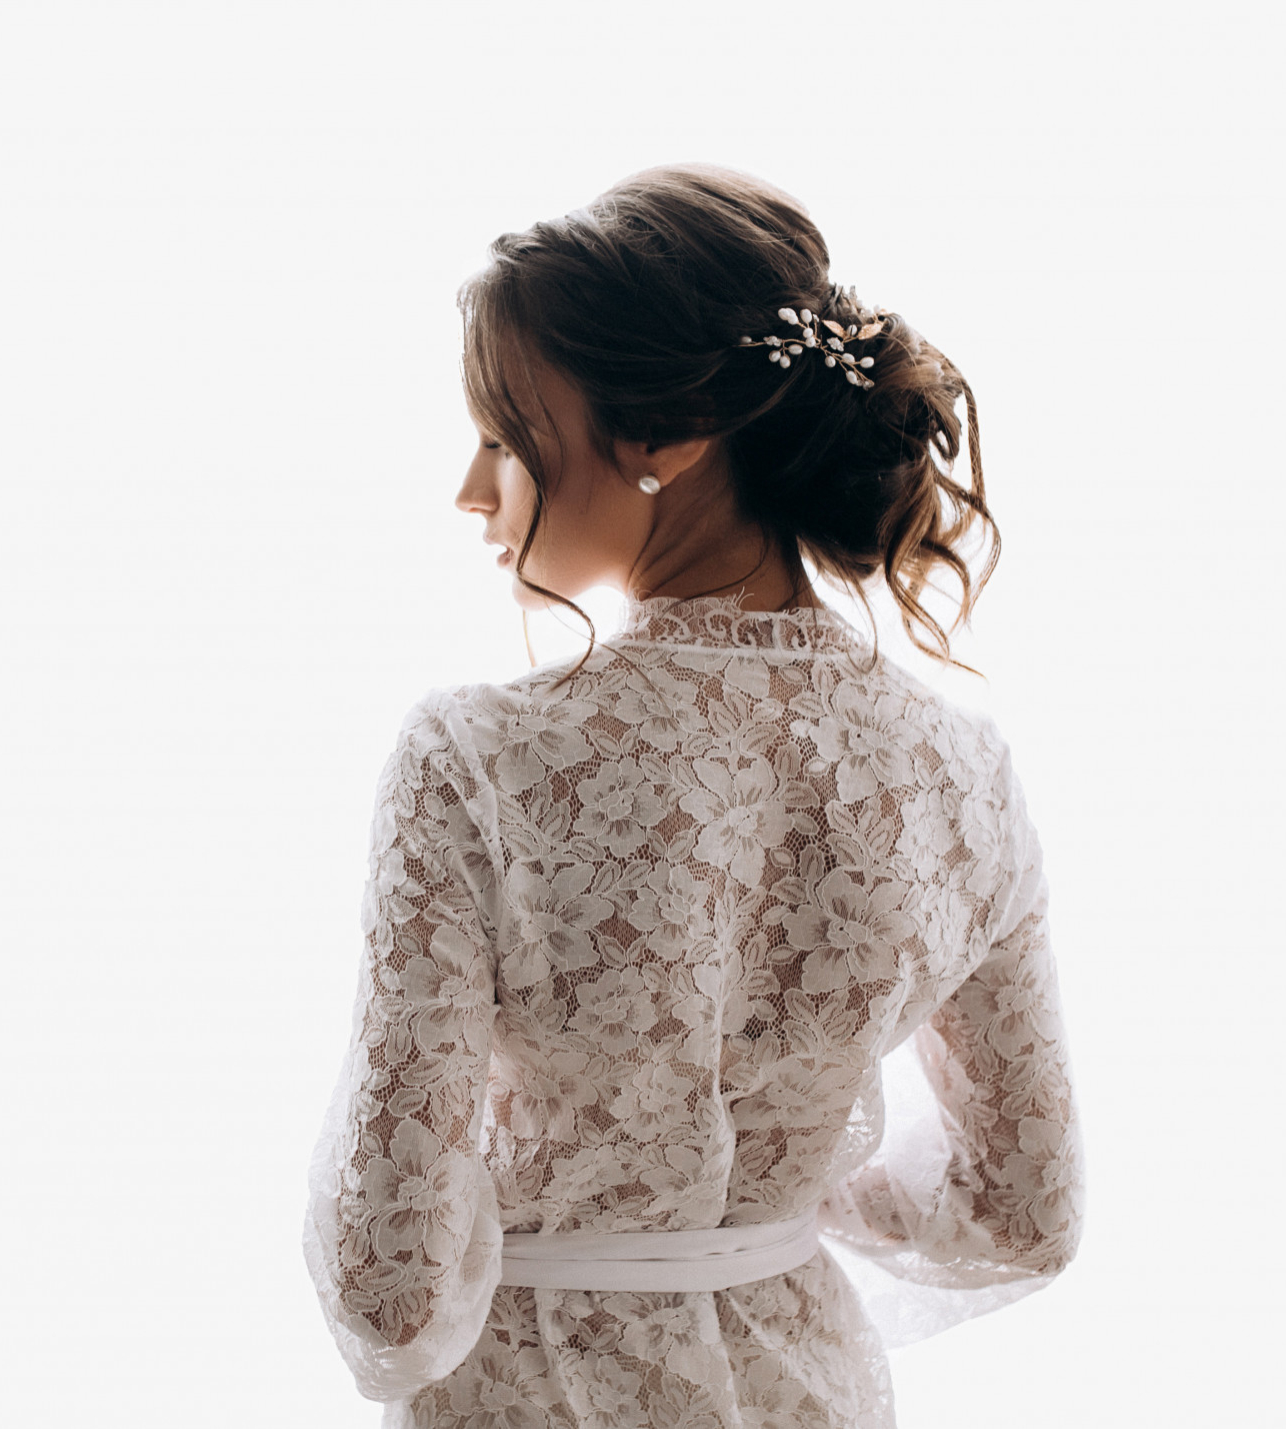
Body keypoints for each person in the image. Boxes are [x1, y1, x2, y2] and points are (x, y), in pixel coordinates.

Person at [302, 163, 1084, 1428]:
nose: (468, 488)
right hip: (808, 1386)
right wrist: (779, 1196)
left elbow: (387, 1283)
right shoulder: (960, 769)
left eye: (504, 436)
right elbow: (1024, 1212)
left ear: (665, 434)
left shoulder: (480, 757)